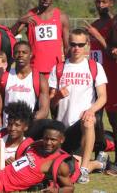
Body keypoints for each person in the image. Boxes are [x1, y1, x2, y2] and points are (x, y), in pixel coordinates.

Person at [48, 28, 107, 184]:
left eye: (81, 45)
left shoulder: (95, 67)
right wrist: (58, 96)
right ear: (68, 45)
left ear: (87, 45)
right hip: (63, 129)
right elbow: (51, 104)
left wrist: (91, 110)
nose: (76, 48)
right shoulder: (58, 68)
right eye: (73, 44)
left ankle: (85, 170)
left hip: (82, 125)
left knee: (88, 121)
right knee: (67, 167)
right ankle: (97, 163)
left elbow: (103, 97)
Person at [86, 0, 117, 172]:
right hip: (95, 80)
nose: (101, 5)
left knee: (114, 121)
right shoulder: (94, 24)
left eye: (105, 2)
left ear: (111, 3)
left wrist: (97, 35)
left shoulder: (114, 24)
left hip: (112, 79)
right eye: (98, 2)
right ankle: (99, 157)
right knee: (95, 120)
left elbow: (112, 53)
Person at [12, 0, 70, 78]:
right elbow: (11, 34)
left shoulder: (61, 17)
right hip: (34, 69)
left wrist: (67, 68)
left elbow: (67, 47)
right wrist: (19, 21)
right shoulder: (30, 16)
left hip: (56, 70)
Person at [0, 41, 50, 127]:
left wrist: (25, 120)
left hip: (28, 129)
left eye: (24, 52)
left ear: (30, 54)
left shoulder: (40, 79)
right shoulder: (2, 78)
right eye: (17, 52)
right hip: (7, 128)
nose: (20, 55)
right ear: (13, 55)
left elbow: (44, 110)